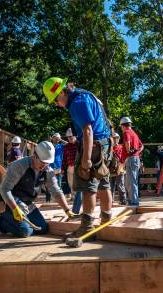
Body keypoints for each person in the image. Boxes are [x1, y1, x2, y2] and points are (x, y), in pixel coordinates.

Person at [43, 77, 114, 239]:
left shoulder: (77, 103)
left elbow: (87, 131)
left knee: (87, 185)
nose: (56, 104)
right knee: (103, 184)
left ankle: (87, 227)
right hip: (104, 143)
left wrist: (86, 159)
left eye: (55, 100)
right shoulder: (86, 95)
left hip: (93, 145)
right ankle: (106, 222)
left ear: (61, 92)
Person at [0, 141, 76, 237]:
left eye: (47, 163)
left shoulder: (47, 171)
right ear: (34, 156)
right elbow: (4, 189)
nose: (44, 165)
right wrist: (15, 208)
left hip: (26, 202)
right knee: (25, 231)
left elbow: (56, 191)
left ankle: (15, 224)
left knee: (43, 228)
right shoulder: (19, 166)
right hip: (8, 202)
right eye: (42, 162)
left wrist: (67, 210)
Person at [119, 116, 143, 206]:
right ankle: (132, 201)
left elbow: (127, 143)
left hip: (131, 159)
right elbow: (142, 146)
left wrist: (129, 151)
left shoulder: (126, 133)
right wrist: (136, 152)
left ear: (123, 126)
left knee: (131, 182)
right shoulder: (134, 133)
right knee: (131, 181)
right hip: (135, 159)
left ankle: (134, 202)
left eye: (121, 127)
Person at [62, 128, 82, 214]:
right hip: (70, 167)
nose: (69, 138)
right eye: (68, 137)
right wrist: (63, 168)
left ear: (75, 136)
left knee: (78, 187)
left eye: (71, 137)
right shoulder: (67, 146)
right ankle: (75, 200)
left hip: (78, 167)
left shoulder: (79, 144)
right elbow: (64, 159)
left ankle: (77, 205)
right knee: (72, 186)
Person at [46, 133, 65, 203]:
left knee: (59, 184)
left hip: (58, 167)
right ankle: (48, 200)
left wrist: (61, 140)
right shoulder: (49, 145)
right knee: (48, 184)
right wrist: (49, 140)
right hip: (49, 167)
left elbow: (68, 144)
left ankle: (60, 200)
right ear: (52, 138)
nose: (56, 140)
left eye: (58, 139)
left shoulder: (61, 146)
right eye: (55, 138)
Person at [110, 132, 128, 205]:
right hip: (111, 169)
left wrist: (122, 166)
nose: (115, 140)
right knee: (111, 186)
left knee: (120, 185)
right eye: (114, 138)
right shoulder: (110, 148)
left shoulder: (121, 147)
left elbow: (124, 157)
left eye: (116, 138)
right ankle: (110, 200)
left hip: (120, 168)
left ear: (118, 139)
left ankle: (123, 200)